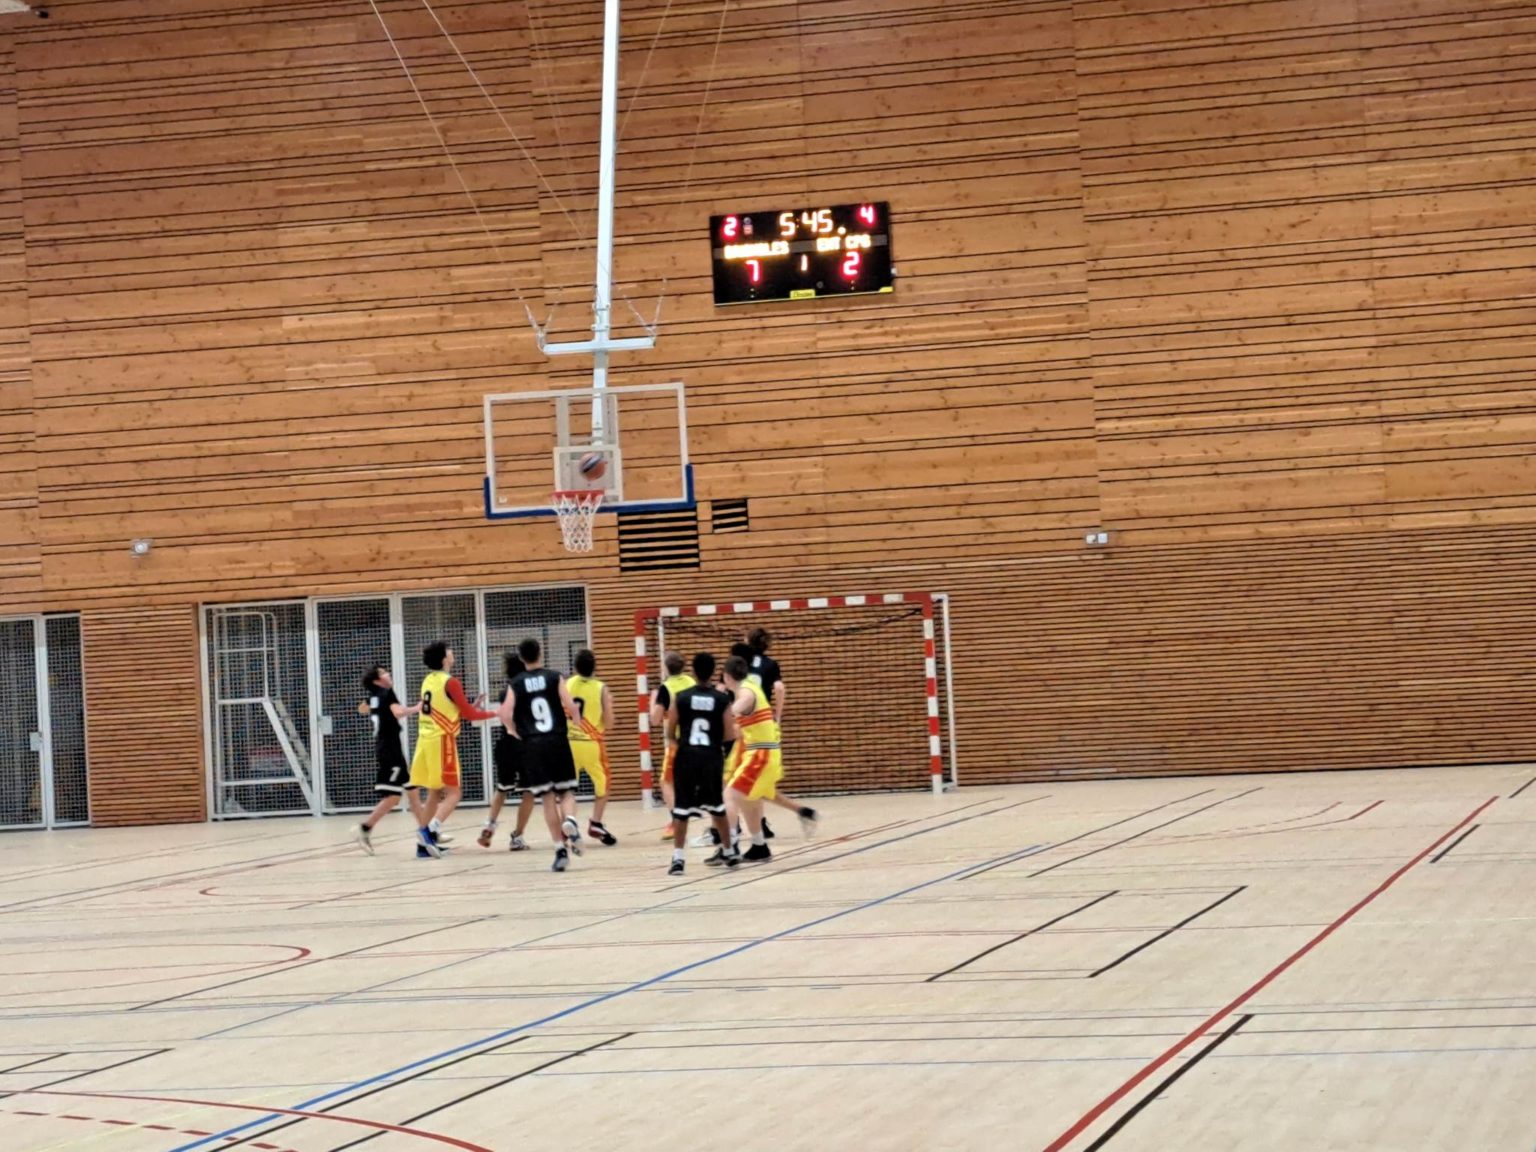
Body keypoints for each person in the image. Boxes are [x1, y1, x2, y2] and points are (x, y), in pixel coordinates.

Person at [503, 637, 585, 872]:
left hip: (533, 745)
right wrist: (576, 720)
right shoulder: (554, 677)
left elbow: (505, 713)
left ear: (521, 658)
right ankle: (570, 820)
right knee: (566, 792)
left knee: (547, 799)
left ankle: (560, 850)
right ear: (540, 653)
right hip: (557, 740)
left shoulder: (515, 683)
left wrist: (512, 730)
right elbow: (570, 705)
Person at [410, 641, 497, 857]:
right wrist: (497, 713)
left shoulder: (428, 680)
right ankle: (429, 831)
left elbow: (447, 709)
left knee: (434, 792)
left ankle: (423, 847)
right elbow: (470, 716)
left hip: (425, 740)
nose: (452, 652)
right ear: (444, 658)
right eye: (449, 650)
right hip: (442, 741)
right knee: (454, 793)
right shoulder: (451, 682)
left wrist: (470, 706)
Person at [665, 652, 739, 873]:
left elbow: (670, 731)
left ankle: (678, 860)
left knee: (681, 809)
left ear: (693, 672)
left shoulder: (681, 697)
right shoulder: (721, 699)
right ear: (713, 672)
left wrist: (678, 744)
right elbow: (729, 735)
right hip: (711, 757)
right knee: (717, 807)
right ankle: (729, 852)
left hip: (686, 756)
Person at [745, 628, 818, 838]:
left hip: (747, 725)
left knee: (741, 780)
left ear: (748, 642)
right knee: (758, 781)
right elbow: (779, 688)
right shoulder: (770, 664)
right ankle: (796, 813)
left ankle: (727, 829)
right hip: (765, 723)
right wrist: (777, 715)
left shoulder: (741, 664)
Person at [354, 665, 422, 855]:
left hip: (389, 748)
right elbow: (398, 712)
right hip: (389, 750)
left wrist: (376, 708)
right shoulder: (386, 693)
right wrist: (417, 708)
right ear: (377, 680)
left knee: (413, 791)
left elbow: (361, 709)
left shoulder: (374, 696)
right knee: (393, 797)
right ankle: (365, 828)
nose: (388, 674)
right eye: (384, 673)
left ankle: (427, 831)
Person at [721, 654, 781, 863]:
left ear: (727, 677)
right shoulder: (749, 687)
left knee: (729, 795)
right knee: (748, 800)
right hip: (759, 751)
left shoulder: (746, 692)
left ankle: (729, 847)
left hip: (761, 753)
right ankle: (759, 846)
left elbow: (733, 711)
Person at [479, 653, 538, 851]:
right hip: (526, 745)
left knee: (502, 788)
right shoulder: (530, 690)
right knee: (529, 792)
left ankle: (489, 825)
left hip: (506, 745)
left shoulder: (505, 692)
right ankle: (517, 836)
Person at [567, 648, 618, 845]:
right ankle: (596, 822)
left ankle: (568, 822)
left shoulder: (567, 684)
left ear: (575, 666)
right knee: (603, 784)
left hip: (569, 743)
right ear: (595, 667)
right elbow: (610, 722)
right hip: (591, 744)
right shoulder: (601, 688)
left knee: (566, 790)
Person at [649, 651, 696, 840]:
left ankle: (677, 821)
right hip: (698, 740)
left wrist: (653, 700)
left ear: (666, 667)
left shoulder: (666, 688)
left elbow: (654, 719)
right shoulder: (692, 682)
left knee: (665, 782)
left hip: (677, 742)